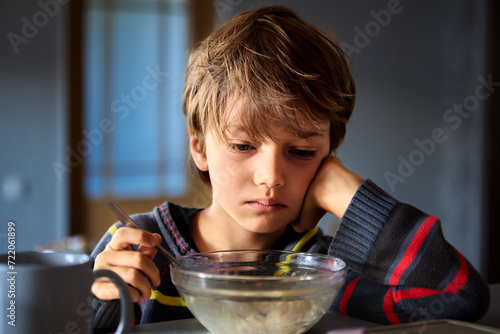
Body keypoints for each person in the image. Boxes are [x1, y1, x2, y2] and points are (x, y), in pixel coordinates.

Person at [90, 5, 490, 331]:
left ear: (328, 157)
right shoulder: (138, 244)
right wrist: (99, 296)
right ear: (200, 147)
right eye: (244, 145)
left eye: (300, 151)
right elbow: (43, 319)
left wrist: (353, 200)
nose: (271, 177)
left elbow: (459, 296)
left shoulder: (322, 274)